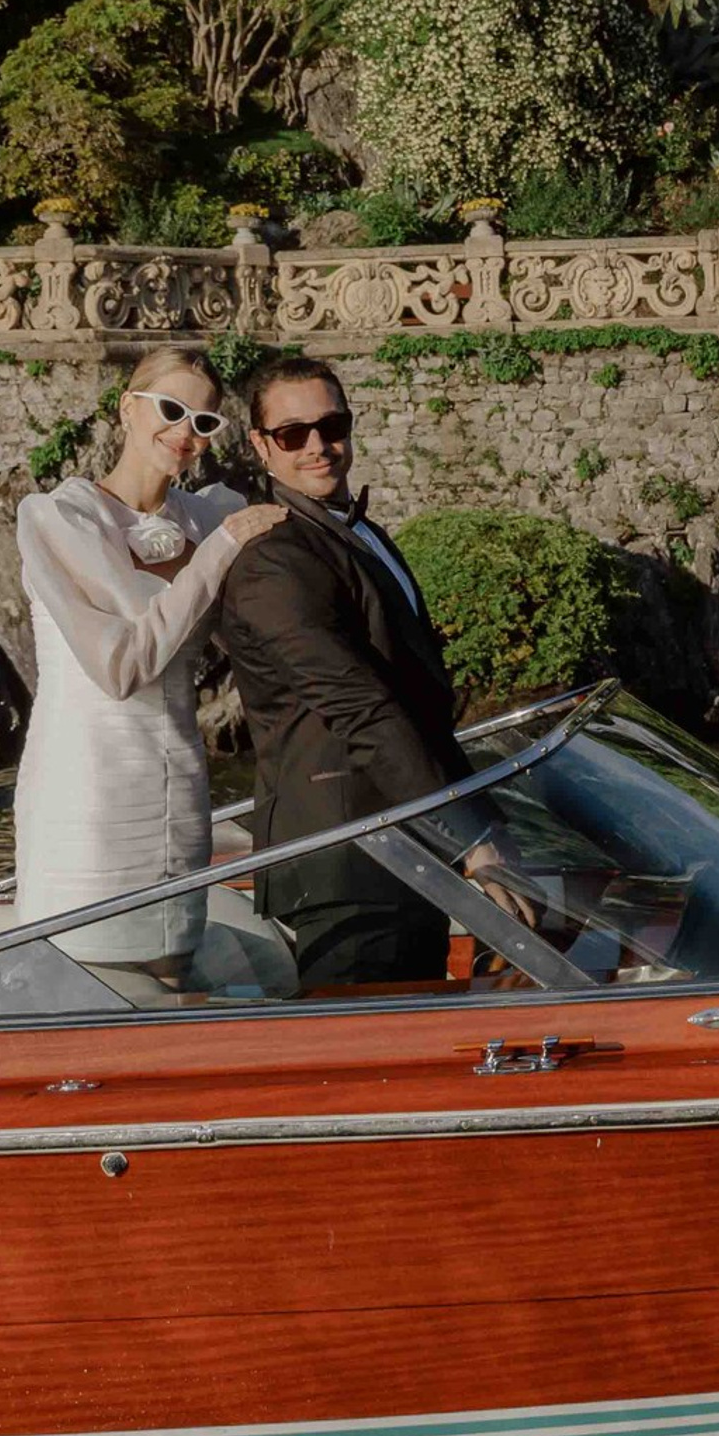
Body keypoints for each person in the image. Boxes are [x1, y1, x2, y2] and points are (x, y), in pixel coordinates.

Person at [215, 351, 528, 991]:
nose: (319, 446)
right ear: (259, 446)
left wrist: (483, 820)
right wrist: (472, 839)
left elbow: (418, 700)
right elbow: (359, 705)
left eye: (333, 427)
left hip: (406, 839)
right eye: (293, 434)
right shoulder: (273, 561)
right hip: (345, 857)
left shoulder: (355, 531)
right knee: (360, 1064)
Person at [12, 349, 281, 970]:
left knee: (172, 966)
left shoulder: (211, 514)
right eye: (171, 409)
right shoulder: (60, 518)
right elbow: (124, 667)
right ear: (126, 409)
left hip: (179, 782)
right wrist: (219, 552)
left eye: (205, 422)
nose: (186, 432)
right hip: (86, 790)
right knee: (88, 974)